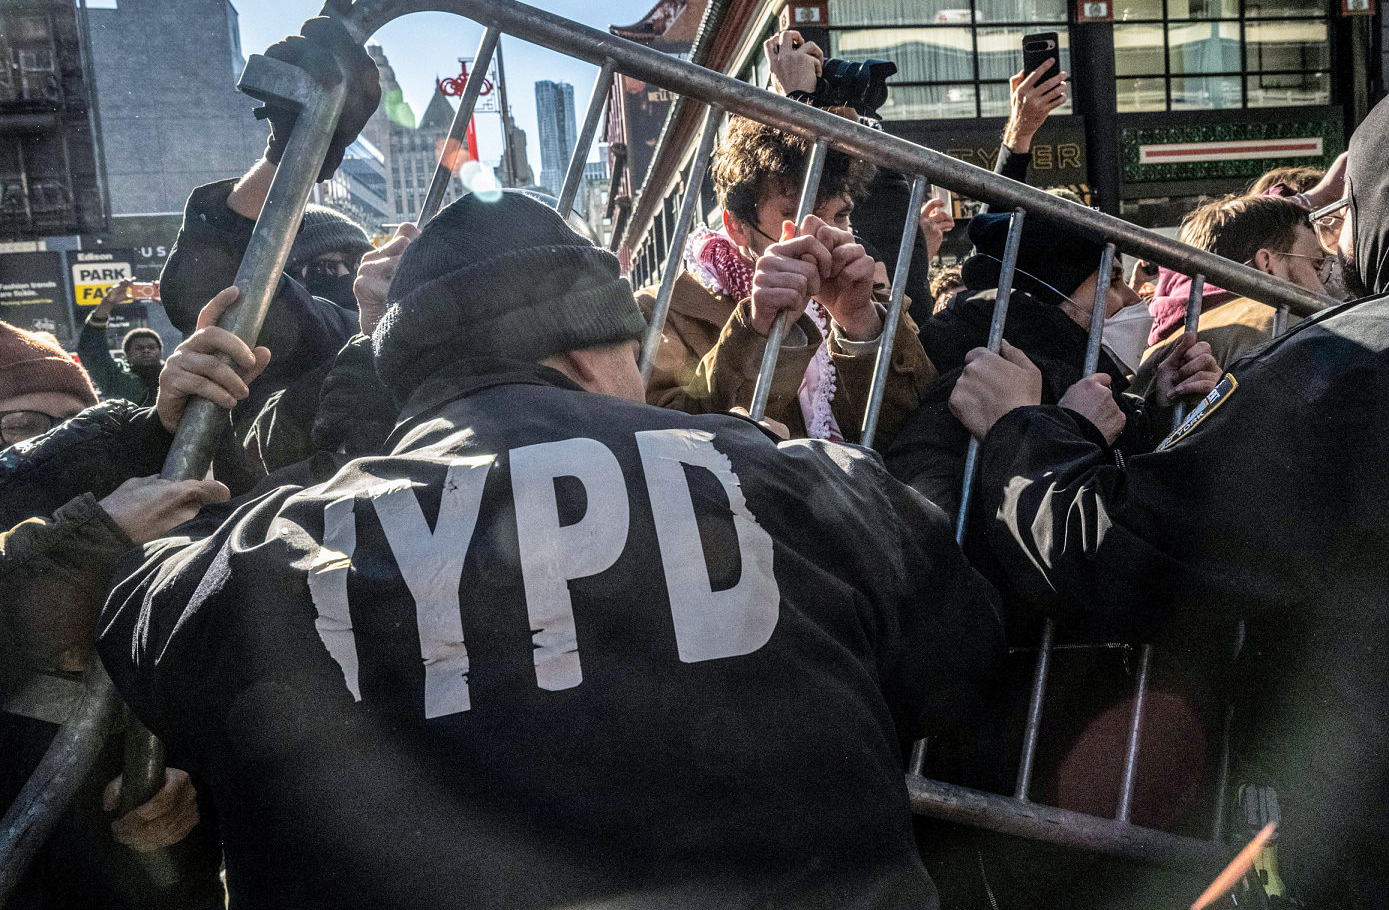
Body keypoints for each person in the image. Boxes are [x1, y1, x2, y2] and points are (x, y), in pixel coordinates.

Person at [96, 189, 1005, 909]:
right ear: (586, 348)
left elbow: (129, 610)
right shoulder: (798, 484)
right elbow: (958, 658)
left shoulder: (271, 554)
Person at [944, 44, 1389, 908]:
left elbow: (1120, 554)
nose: (1338, 249)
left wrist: (1025, 429)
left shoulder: (1363, 364)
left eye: (1343, 219)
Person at [1, 288, 269, 909]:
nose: (53, 445)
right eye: (22, 429)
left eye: (74, 421)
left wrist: (180, 796)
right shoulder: (87, 536)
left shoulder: (132, 551)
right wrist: (89, 538)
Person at [156, 0, 383, 493]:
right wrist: (291, 150)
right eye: (316, 268)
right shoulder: (287, 342)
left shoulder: (387, 331)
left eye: (352, 264)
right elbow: (219, 277)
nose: (339, 277)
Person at [885, 210, 1220, 524]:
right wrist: (1069, 430)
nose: (1134, 299)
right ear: (1051, 295)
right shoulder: (975, 384)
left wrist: (1164, 411)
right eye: (1112, 281)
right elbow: (938, 528)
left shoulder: (1083, 381)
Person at [635, 115, 934, 449]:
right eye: (796, 215)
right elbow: (672, 443)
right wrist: (758, 330)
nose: (822, 235)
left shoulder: (868, 294)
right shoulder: (661, 312)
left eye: (839, 216)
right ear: (737, 227)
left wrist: (860, 324)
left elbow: (920, 429)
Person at [763, 29, 1066, 324]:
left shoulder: (920, 324)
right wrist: (798, 102)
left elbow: (985, 257)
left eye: (842, 216)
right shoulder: (793, 294)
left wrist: (798, 102)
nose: (824, 228)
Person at [1130, 193, 1330, 399]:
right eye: (1317, 265)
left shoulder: (1150, 347)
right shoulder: (1278, 326)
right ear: (1267, 263)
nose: (1326, 280)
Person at [77, 286, 165, 405]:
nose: (146, 350)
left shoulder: (173, 372)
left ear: (160, 352)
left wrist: (168, 300)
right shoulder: (116, 376)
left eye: (151, 347)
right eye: (139, 348)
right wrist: (108, 302)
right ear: (126, 355)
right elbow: (91, 351)